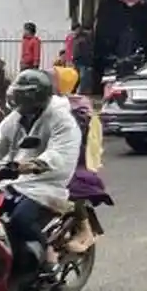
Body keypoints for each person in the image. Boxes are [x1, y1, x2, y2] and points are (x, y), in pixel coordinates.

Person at [0, 69, 80, 279]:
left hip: (46, 184)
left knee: (20, 220)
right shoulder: (16, 117)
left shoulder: (62, 121)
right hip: (15, 180)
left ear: (37, 97)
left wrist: (32, 164)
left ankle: (46, 259)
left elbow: (59, 155)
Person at [41, 64, 110, 253]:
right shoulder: (42, 103)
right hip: (43, 156)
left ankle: (85, 231)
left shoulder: (77, 108)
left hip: (72, 160)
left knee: (72, 186)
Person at [72, 24, 94, 95]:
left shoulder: (84, 38)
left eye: (76, 30)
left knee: (82, 78)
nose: (75, 31)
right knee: (77, 77)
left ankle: (80, 92)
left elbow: (87, 51)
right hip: (77, 61)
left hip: (83, 61)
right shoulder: (76, 38)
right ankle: (74, 91)